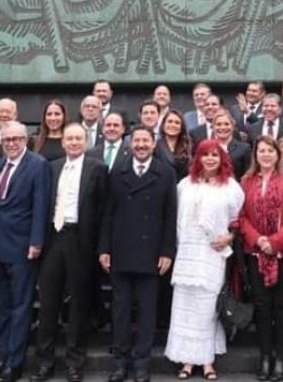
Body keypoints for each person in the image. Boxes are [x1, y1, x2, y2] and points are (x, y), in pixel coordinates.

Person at [100, 126, 178, 382]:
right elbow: (107, 213)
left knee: (147, 311)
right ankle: (120, 362)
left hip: (152, 252)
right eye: (137, 141)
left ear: (154, 144)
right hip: (121, 250)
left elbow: (170, 217)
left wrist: (167, 251)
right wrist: (104, 248)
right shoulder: (117, 170)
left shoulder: (166, 173)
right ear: (130, 144)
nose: (142, 145)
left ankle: (142, 363)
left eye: (146, 140)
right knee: (120, 310)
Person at [165, 140, 245, 381]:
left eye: (214, 155)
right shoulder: (184, 185)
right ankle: (188, 360)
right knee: (185, 308)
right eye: (205, 155)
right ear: (197, 158)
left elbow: (239, 219)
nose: (210, 159)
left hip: (213, 254)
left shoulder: (231, 187)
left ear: (222, 159)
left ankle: (208, 361)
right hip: (187, 253)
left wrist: (229, 238)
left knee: (208, 308)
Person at [33, 124, 107, 382]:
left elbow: (103, 212)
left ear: (85, 141)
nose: (74, 142)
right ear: (62, 143)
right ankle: (45, 362)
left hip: (81, 240)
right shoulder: (51, 167)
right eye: (69, 139)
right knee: (48, 304)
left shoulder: (97, 168)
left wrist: (101, 247)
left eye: (78, 138)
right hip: (53, 238)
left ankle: (74, 363)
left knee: (78, 305)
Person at [0, 121, 51, 382]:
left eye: (16, 139)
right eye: (7, 139)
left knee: (21, 307)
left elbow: (41, 205)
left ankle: (16, 364)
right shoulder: (0, 164)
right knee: (2, 306)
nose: (11, 143)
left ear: (26, 140)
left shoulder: (38, 165)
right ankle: (3, 357)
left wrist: (36, 242)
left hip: (23, 248)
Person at [238, 135, 283, 381]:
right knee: (262, 306)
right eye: (261, 151)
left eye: (270, 150)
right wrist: (258, 240)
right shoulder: (245, 181)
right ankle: (265, 357)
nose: (265, 154)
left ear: (277, 154)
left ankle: (280, 358)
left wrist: (275, 242)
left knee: (282, 305)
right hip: (256, 252)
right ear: (255, 155)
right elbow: (241, 216)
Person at [210, 108, 250, 178]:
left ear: (232, 126)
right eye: (218, 124)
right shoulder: (207, 148)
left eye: (226, 124)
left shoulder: (244, 148)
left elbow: (248, 176)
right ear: (213, 127)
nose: (222, 127)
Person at [160, 108, 193, 180]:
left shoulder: (190, 145)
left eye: (177, 123)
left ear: (182, 127)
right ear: (163, 124)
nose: (173, 125)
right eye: (170, 121)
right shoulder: (155, 146)